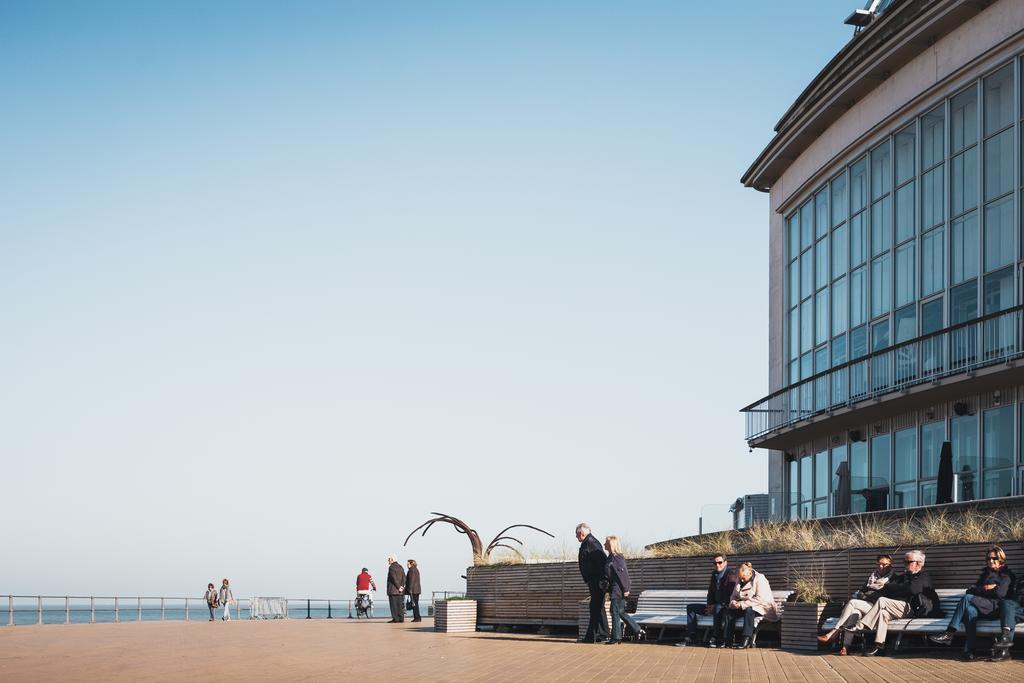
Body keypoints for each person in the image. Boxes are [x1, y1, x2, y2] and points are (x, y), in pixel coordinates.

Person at [848, 549, 941, 657]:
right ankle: (879, 645)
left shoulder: (924, 576)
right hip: (900, 608)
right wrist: (897, 588)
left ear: (918, 564)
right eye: (904, 561)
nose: (905, 564)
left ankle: (860, 626)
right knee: (883, 614)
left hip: (914, 610)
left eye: (908, 562)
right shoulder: (904, 576)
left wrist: (898, 588)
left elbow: (912, 589)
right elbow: (888, 587)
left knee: (882, 601)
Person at [929, 545, 1014, 661]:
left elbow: (1000, 594)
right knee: (969, 610)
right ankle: (970, 651)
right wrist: (986, 588)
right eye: (988, 558)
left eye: (994, 558)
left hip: (997, 609)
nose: (990, 561)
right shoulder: (985, 574)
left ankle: (950, 633)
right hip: (983, 607)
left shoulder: (1006, 575)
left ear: (1001, 559)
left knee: (968, 598)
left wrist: (982, 590)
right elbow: (970, 589)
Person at [817, 553, 893, 655]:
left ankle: (834, 632)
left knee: (852, 602)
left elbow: (884, 595)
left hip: (878, 608)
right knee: (854, 613)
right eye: (879, 564)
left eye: (884, 564)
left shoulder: (893, 578)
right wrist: (866, 595)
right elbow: (861, 591)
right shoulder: (872, 577)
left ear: (890, 565)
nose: (881, 566)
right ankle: (846, 646)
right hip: (866, 605)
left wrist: (867, 595)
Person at [676, 553, 737, 648]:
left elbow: (730, 595)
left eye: (720, 562)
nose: (717, 565)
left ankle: (716, 637)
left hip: (725, 607)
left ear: (725, 563)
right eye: (715, 563)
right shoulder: (714, 574)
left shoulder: (731, 575)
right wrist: (710, 605)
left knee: (718, 607)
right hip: (714, 606)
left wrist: (716, 605)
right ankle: (692, 636)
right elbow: (710, 592)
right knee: (691, 607)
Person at [721, 562, 779, 649]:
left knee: (749, 611)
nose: (742, 580)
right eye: (740, 578)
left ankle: (746, 639)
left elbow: (760, 599)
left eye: (743, 578)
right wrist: (733, 602)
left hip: (763, 607)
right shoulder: (740, 579)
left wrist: (741, 604)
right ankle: (727, 640)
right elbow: (733, 595)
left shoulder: (760, 579)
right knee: (729, 611)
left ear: (750, 573)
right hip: (747, 605)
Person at [603, 536, 645, 644]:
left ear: (611, 545)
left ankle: (616, 637)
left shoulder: (617, 558)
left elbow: (623, 575)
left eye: (606, 543)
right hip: (614, 589)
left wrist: (626, 589)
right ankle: (638, 630)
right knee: (619, 611)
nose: (604, 544)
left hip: (618, 589)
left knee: (615, 612)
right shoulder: (610, 557)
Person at [576, 523, 609, 643]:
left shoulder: (591, 542)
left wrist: (603, 580)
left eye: (576, 534)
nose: (576, 537)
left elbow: (602, 561)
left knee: (595, 607)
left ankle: (591, 636)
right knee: (597, 607)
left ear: (581, 533)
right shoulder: (589, 542)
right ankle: (604, 633)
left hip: (597, 581)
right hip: (594, 580)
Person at [386, 556, 406, 623]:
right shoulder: (401, 567)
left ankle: (395, 618)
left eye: (389, 560)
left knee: (393, 605)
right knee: (400, 605)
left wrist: (398, 587)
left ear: (392, 560)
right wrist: (402, 586)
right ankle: (401, 618)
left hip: (393, 590)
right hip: (400, 591)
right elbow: (404, 577)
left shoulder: (391, 567)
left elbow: (393, 578)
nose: (388, 561)